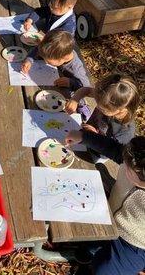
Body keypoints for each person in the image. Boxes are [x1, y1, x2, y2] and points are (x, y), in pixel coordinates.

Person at [64, 134, 145, 275]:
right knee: (88, 240)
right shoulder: (133, 160)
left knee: (104, 270)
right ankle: (87, 253)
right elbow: (114, 149)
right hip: (109, 213)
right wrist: (84, 137)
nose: (124, 165)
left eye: (128, 170)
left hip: (134, 243)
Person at [65, 73, 140, 147]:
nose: (98, 107)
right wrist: (75, 99)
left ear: (122, 109)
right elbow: (86, 90)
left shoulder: (125, 132)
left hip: (95, 153)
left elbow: (111, 151)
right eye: (98, 104)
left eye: (103, 109)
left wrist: (94, 136)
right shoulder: (105, 96)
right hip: (84, 133)